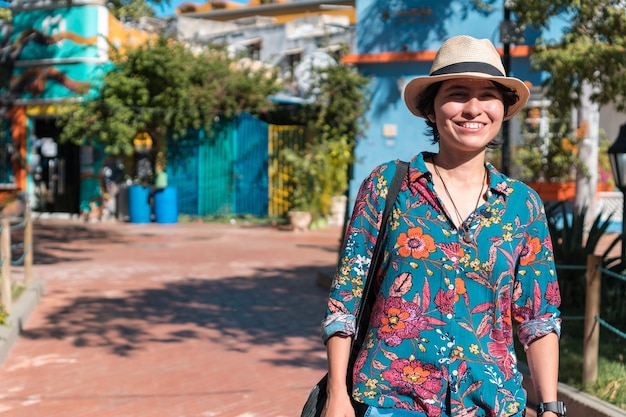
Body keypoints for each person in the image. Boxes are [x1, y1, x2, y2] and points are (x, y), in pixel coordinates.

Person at [320, 35, 563, 417]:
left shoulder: (522, 205)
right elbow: (345, 298)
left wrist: (550, 407)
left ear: (502, 109)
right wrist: (337, 395)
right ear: (431, 109)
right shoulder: (388, 186)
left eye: (488, 95)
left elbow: (538, 316)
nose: (473, 108)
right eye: (458, 93)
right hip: (391, 403)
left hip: (491, 405)